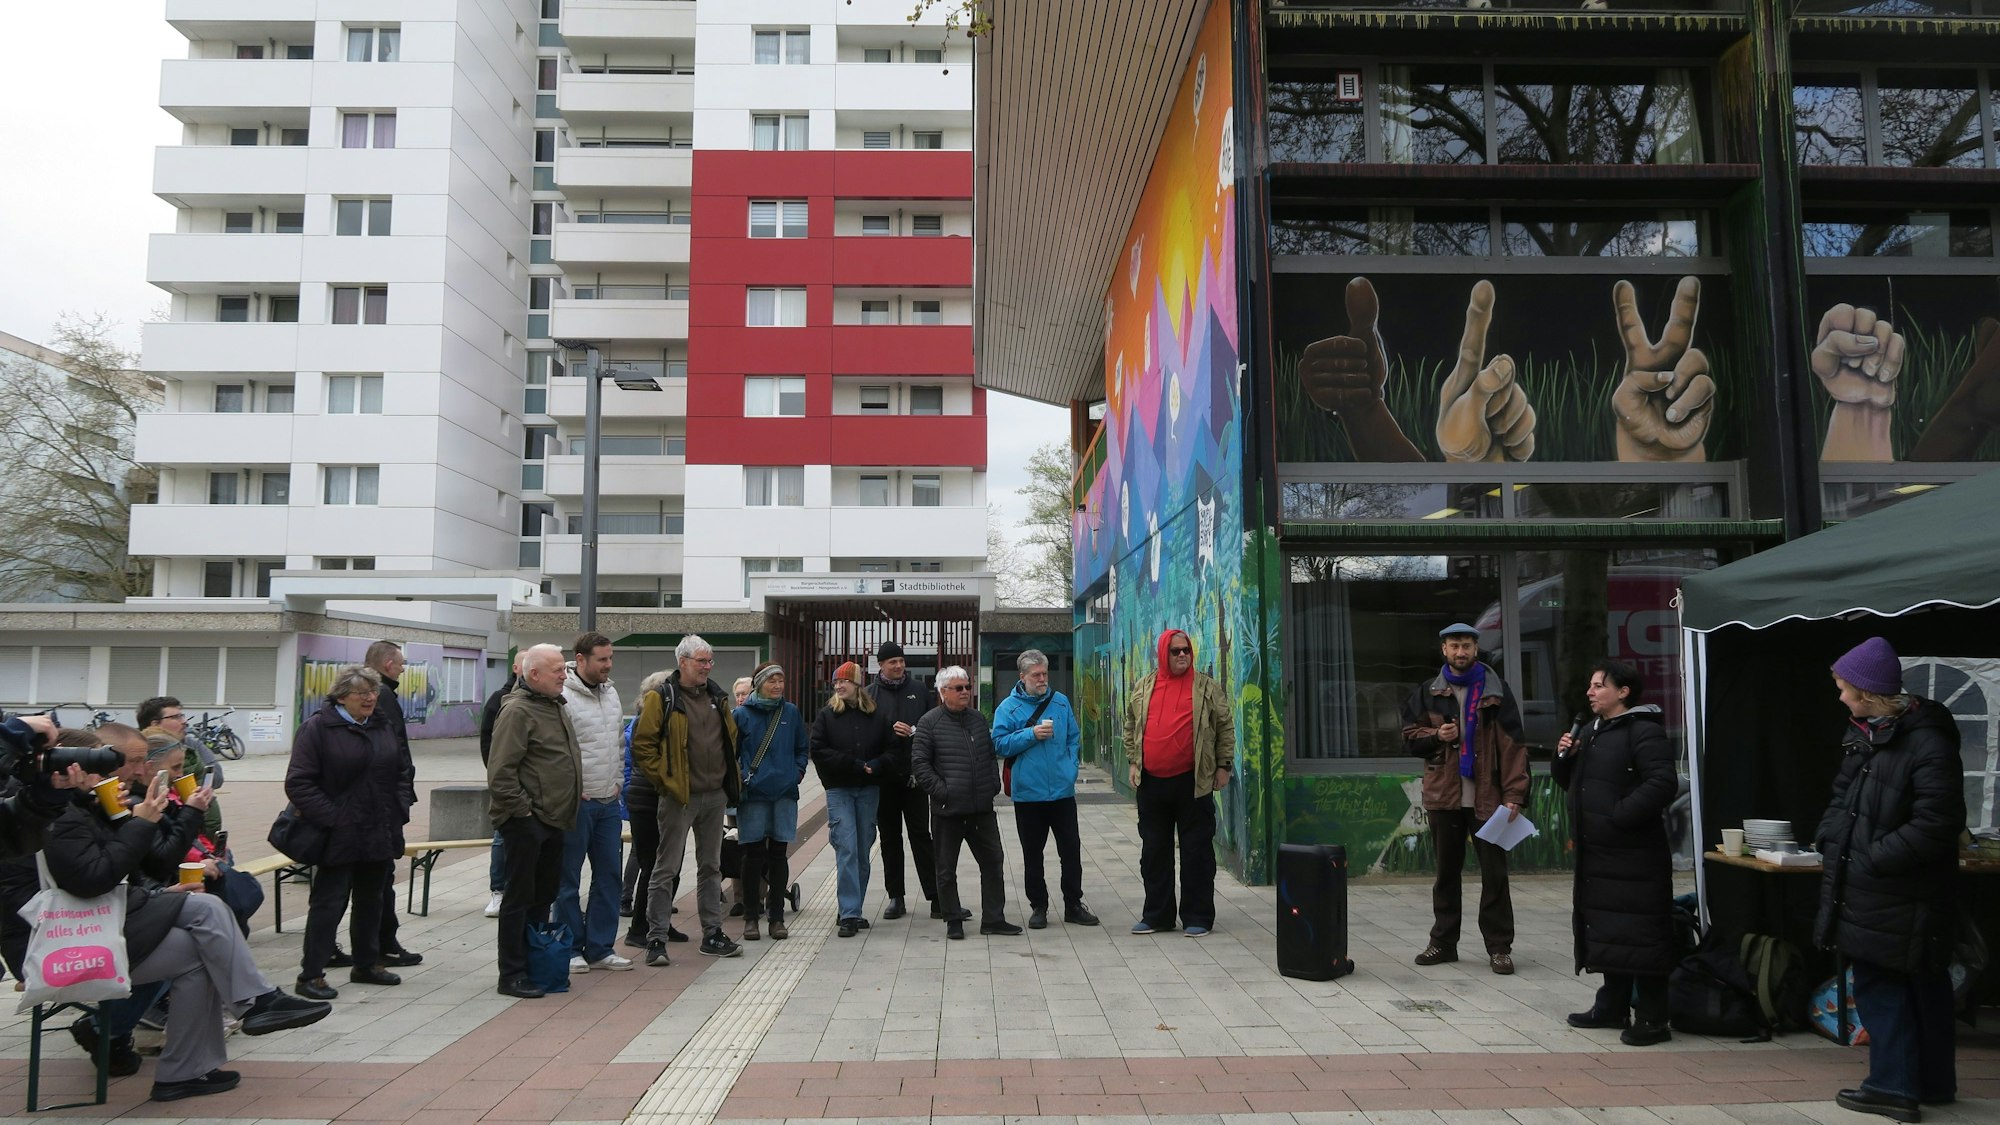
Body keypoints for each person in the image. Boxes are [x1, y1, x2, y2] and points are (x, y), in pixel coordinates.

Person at [44, 746, 329, 1102]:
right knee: (206, 918)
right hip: (74, 942)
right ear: (69, 774)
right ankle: (253, 1005)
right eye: (104, 769)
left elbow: (131, 873)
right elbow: (97, 879)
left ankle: (188, 1069)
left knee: (204, 939)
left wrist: (122, 819)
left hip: (111, 921)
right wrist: (142, 824)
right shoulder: (60, 816)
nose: (121, 775)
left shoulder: (83, 810)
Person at [1814, 637, 1964, 1122]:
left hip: (1900, 891)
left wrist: (1870, 859)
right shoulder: (1869, 734)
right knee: (1917, 985)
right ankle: (1931, 1084)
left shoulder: (1926, 742)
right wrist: (1830, 840)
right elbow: (1843, 798)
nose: (1839, 696)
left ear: (1869, 693)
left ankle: (1892, 1088)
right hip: (1880, 887)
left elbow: (1937, 824)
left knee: (1888, 986)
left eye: (1843, 688)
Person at [2, 726, 171, 1077]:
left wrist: (113, 813)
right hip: (44, 940)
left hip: (81, 923)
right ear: (65, 767)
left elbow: (131, 873)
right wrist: (132, 823)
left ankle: (117, 1034)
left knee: (195, 927)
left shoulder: (71, 805)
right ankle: (114, 1034)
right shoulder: (51, 812)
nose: (108, 773)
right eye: (97, 766)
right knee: (187, 939)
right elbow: (93, 879)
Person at [1554, 660, 1678, 1045]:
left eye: (1598, 686)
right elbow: (1573, 783)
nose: (1590, 692)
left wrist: (1619, 815)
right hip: (1599, 855)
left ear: (1623, 692)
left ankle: (1653, 1018)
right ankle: (1612, 1006)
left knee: (1642, 933)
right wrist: (1565, 758)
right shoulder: (1591, 731)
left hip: (1635, 855)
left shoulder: (1644, 731)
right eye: (1590, 686)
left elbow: (1662, 782)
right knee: (1610, 931)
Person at [1401, 622, 1528, 973]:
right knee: (1445, 874)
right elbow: (1409, 737)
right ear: (1443, 649)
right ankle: (1442, 943)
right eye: (1455, 646)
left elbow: (1514, 747)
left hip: (1490, 799)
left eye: (1467, 646)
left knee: (1495, 876)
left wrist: (1515, 794)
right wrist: (1436, 735)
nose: (1461, 652)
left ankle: (1500, 947)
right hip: (1444, 797)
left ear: (1476, 649)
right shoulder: (1428, 691)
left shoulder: (1496, 690)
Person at [286, 665, 411, 1000]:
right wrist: (335, 818)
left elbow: (400, 771)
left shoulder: (381, 724)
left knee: (373, 900)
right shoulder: (318, 728)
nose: (371, 698)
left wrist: (399, 807)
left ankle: (366, 964)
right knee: (329, 903)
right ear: (342, 696)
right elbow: (299, 783)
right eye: (363, 693)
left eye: (373, 692)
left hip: (379, 829)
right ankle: (311, 974)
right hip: (338, 833)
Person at [633, 634, 743, 965]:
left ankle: (712, 933)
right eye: (702, 661)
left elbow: (729, 739)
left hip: (714, 796)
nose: (708, 667)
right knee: (665, 867)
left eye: (710, 661)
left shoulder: (717, 697)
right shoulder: (662, 697)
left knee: (711, 866)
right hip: (679, 798)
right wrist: (667, 782)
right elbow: (643, 746)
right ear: (683, 662)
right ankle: (655, 939)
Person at [1123, 629, 1235, 937]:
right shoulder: (1144, 686)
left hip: (1194, 784)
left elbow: (1225, 727)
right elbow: (1130, 724)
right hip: (1152, 785)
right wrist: (1133, 761)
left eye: (1186, 650)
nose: (1183, 655)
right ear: (1163, 654)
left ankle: (1197, 916)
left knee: (1196, 852)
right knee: (1154, 852)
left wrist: (1223, 766)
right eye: (1175, 651)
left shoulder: (1206, 687)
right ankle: (1157, 915)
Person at [487, 643, 583, 998]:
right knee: (519, 898)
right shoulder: (517, 711)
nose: (564, 675)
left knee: (543, 895)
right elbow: (501, 773)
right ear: (534, 675)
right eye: (557, 669)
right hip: (528, 821)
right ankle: (511, 974)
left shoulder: (553, 705)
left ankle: (536, 964)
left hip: (554, 818)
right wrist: (524, 813)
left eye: (564, 668)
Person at [912, 665, 1021, 940]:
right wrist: (943, 792)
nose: (965, 692)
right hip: (948, 811)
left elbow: (988, 755)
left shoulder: (977, 719)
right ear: (943, 692)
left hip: (981, 809)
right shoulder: (929, 722)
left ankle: (994, 919)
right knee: (946, 870)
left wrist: (992, 786)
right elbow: (920, 765)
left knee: (994, 863)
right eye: (958, 688)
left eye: (967, 687)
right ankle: (953, 920)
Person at [993, 650, 1097, 929]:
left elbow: (1073, 738)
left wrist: (1070, 769)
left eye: (1044, 673)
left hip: (1062, 793)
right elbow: (999, 744)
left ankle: (1073, 904)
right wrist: (1031, 734)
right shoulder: (1008, 708)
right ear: (1022, 676)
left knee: (1071, 850)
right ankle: (1038, 906)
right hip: (1028, 794)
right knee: (1032, 853)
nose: (1042, 679)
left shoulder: (1060, 702)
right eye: (1036, 675)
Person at [556, 632, 632, 973]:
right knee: (567, 879)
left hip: (608, 802)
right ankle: (570, 946)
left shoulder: (611, 692)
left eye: (611, 658)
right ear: (581, 659)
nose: (609, 665)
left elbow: (617, 742)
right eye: (602, 659)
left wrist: (618, 782)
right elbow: (557, 749)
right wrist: (571, 788)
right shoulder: (562, 696)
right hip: (578, 803)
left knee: (609, 877)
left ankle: (600, 947)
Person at [352, 640, 422, 969]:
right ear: (389, 665)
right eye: (402, 663)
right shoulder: (384, 699)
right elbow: (395, 754)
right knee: (378, 878)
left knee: (368, 879)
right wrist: (402, 795)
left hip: (376, 803)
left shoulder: (379, 697)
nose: (405, 669)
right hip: (380, 806)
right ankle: (383, 944)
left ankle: (367, 945)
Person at [811, 661, 893, 937]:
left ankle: (853, 907)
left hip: (869, 789)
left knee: (861, 850)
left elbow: (892, 749)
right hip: (840, 789)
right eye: (835, 683)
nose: (838, 686)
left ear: (858, 684)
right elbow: (819, 750)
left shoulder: (877, 716)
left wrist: (877, 765)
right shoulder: (827, 716)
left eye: (844, 682)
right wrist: (853, 764)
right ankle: (849, 913)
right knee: (846, 847)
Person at [734, 662, 810, 941]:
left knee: (779, 855)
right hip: (753, 795)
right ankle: (750, 918)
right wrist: (742, 777)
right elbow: (731, 752)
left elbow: (802, 747)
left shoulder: (790, 712)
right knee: (751, 857)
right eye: (772, 681)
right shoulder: (741, 714)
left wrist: (797, 772)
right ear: (758, 684)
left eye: (781, 680)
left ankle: (776, 917)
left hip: (784, 793)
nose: (778, 686)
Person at [867, 642, 940, 920]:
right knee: (890, 839)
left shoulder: (920, 690)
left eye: (900, 661)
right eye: (891, 662)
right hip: (885, 779)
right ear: (880, 665)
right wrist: (888, 731)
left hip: (915, 777)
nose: (898, 666)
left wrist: (914, 730)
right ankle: (896, 897)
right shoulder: (869, 694)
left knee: (921, 836)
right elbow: (866, 734)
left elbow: (932, 724)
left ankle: (935, 896)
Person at [137, 695, 223, 836]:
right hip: (184, 831)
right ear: (154, 724)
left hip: (206, 831)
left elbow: (217, 777)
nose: (184, 722)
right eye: (175, 717)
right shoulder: (139, 753)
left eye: (182, 716)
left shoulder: (191, 744)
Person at [480, 651, 524, 919]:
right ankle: (498, 890)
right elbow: (487, 741)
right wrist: (496, 774)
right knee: (501, 839)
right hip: (507, 784)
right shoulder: (500, 699)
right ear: (517, 667)